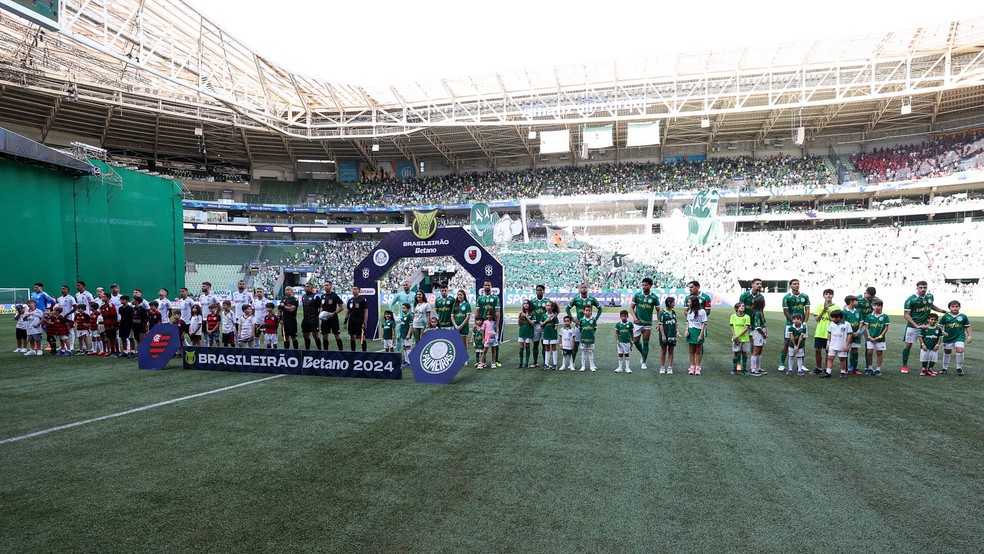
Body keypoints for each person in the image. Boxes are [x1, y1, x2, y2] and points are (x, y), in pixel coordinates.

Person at [901, 281, 945, 374]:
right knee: (908, 345)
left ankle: (926, 368)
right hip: (913, 326)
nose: (923, 289)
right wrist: (916, 325)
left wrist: (943, 311)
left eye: (924, 287)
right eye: (920, 287)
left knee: (929, 345)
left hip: (926, 326)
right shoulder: (910, 300)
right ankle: (904, 366)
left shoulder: (930, 296)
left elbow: (931, 305)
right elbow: (906, 315)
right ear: (917, 288)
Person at [566, 283, 602, 368]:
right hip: (578, 325)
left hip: (589, 326)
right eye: (582, 287)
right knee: (575, 345)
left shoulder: (592, 299)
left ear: (587, 289)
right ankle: (572, 363)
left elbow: (600, 308)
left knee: (590, 345)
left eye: (585, 287)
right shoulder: (576, 299)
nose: (583, 289)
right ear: (579, 289)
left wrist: (595, 319)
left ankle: (592, 364)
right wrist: (572, 319)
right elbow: (568, 308)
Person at [779, 279, 810, 373]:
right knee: (787, 342)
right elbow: (786, 311)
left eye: (798, 284)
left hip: (802, 324)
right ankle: (781, 364)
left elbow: (807, 310)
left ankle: (801, 365)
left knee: (802, 343)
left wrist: (804, 322)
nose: (796, 285)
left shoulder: (805, 296)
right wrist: (793, 322)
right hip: (790, 324)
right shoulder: (787, 297)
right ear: (790, 286)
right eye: (794, 284)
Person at [631, 277, 660, 370]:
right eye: (643, 285)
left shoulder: (654, 297)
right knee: (635, 341)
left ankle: (643, 361)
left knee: (646, 343)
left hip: (647, 323)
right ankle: (642, 353)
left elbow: (658, 311)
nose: (644, 287)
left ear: (650, 286)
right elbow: (631, 308)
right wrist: (634, 317)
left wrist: (659, 322)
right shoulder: (637, 295)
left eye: (646, 285)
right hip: (638, 323)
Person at [940, 300, 972, 376]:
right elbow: (940, 326)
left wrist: (970, 335)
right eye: (953, 307)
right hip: (948, 337)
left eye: (956, 306)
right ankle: (944, 368)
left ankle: (959, 368)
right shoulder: (945, 316)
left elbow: (967, 326)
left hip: (959, 337)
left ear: (959, 307)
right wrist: (943, 332)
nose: (955, 308)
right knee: (947, 352)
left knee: (960, 350)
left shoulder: (963, 316)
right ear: (949, 308)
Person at [821, 310, 852, 379]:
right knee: (830, 358)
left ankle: (843, 372)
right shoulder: (832, 324)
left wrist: (847, 345)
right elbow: (829, 333)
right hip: (832, 345)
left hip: (842, 345)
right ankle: (828, 372)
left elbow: (849, 335)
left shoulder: (847, 324)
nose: (831, 319)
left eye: (833, 318)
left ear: (838, 318)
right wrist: (828, 343)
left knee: (842, 359)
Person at [813, 289, 838, 374]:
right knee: (817, 350)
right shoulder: (820, 306)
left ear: (832, 296)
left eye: (830, 294)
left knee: (828, 351)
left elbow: (836, 320)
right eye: (826, 294)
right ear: (823, 295)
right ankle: (818, 368)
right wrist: (823, 310)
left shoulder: (836, 307)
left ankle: (827, 369)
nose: (828, 296)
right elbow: (816, 319)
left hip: (831, 333)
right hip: (820, 332)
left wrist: (828, 312)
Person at [475, 280, 500, 363]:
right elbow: (477, 311)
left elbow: (497, 311)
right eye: (485, 285)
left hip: (492, 323)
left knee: (495, 341)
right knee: (483, 341)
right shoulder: (480, 298)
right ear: (483, 286)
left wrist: (497, 323)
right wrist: (476, 323)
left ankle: (495, 360)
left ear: (491, 286)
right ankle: (483, 361)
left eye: (488, 285)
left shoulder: (495, 298)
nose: (487, 287)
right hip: (483, 323)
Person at [863, 299, 890, 377]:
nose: (877, 307)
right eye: (875, 305)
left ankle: (878, 369)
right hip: (870, 338)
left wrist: (880, 336)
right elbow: (867, 328)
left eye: (879, 305)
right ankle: (870, 368)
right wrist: (869, 336)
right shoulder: (869, 316)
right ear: (872, 306)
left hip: (880, 338)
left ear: (881, 306)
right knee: (869, 352)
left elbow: (886, 328)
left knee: (879, 353)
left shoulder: (885, 316)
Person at [855, 286, 878, 372]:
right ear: (866, 292)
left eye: (872, 296)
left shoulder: (876, 299)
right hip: (859, 325)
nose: (870, 297)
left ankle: (868, 366)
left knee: (868, 346)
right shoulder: (857, 298)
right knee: (855, 345)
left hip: (870, 326)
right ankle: (852, 366)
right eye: (869, 295)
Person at [391, 281, 415, 354]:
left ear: (410, 285)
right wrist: (394, 315)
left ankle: (409, 356)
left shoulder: (414, 295)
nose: (405, 286)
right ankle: (398, 354)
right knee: (398, 337)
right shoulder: (399, 295)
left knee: (410, 338)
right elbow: (391, 304)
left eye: (406, 285)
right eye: (403, 285)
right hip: (400, 320)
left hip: (410, 319)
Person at [319, 281, 344, 350]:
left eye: (327, 285)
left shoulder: (335, 296)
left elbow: (341, 307)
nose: (325, 287)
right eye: (324, 285)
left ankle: (341, 351)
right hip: (325, 319)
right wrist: (321, 313)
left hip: (333, 318)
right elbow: (321, 306)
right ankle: (325, 352)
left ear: (331, 286)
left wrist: (333, 313)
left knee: (337, 335)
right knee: (324, 336)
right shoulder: (323, 296)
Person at [686, 295, 708, 375]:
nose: (688, 303)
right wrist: (686, 330)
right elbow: (688, 322)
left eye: (689, 302)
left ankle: (698, 366)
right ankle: (692, 366)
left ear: (694, 302)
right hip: (691, 331)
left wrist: (701, 334)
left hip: (698, 331)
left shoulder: (702, 311)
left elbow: (703, 323)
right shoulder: (689, 311)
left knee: (698, 351)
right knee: (691, 351)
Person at [842, 295, 863, 375]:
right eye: (856, 301)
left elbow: (861, 321)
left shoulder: (858, 311)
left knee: (855, 351)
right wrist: (851, 333)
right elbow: (844, 324)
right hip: (847, 335)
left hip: (856, 335)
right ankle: (845, 368)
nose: (857, 302)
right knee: (846, 351)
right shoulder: (844, 312)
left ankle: (854, 368)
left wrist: (858, 331)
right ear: (851, 301)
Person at [529, 285, 550, 368]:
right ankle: (535, 362)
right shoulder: (532, 302)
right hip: (535, 325)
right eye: (538, 290)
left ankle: (545, 362)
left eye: (541, 290)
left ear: (543, 291)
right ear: (536, 291)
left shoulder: (547, 301)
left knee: (544, 344)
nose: (539, 291)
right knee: (535, 344)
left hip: (544, 325)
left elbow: (552, 312)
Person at [657, 297, 679, 375]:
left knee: (671, 351)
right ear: (669, 303)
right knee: (663, 351)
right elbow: (660, 324)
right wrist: (663, 335)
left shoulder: (673, 312)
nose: (674, 304)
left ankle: (670, 367)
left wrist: (677, 331)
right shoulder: (662, 313)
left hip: (672, 334)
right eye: (673, 302)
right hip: (665, 334)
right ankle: (662, 367)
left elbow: (675, 323)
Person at [345, 286, 369, 352]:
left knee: (362, 337)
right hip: (352, 321)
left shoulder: (362, 300)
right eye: (353, 289)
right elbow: (348, 311)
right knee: (352, 337)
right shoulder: (350, 300)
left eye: (355, 289)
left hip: (360, 320)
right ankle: (353, 352)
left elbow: (366, 311)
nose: (354, 290)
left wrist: (365, 322)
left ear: (359, 291)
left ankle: (364, 352)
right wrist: (345, 321)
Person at [300, 282, 323, 350]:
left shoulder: (315, 296)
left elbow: (321, 306)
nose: (306, 288)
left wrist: (320, 314)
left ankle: (319, 350)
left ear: (311, 288)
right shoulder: (303, 297)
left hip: (313, 319)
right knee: (305, 335)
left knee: (315, 335)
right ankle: (307, 350)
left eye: (308, 286)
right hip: (306, 319)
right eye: (305, 286)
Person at [577, 305, 600, 372]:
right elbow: (580, 328)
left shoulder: (593, 319)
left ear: (591, 311)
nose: (588, 312)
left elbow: (595, 328)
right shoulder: (581, 320)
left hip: (591, 339)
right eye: (586, 310)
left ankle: (592, 366)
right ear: (584, 311)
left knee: (590, 352)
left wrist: (591, 333)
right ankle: (583, 366)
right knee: (584, 351)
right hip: (584, 339)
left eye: (589, 310)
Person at [730, 302, 751, 375]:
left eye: (743, 306)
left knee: (744, 353)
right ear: (736, 308)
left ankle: (744, 369)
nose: (742, 307)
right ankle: (734, 368)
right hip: (736, 338)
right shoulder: (733, 316)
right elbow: (732, 327)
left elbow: (746, 328)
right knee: (735, 353)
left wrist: (737, 336)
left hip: (744, 339)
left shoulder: (747, 317)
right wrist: (734, 337)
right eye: (740, 306)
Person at [749, 296, 768, 376]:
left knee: (760, 351)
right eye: (764, 302)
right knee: (756, 351)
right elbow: (757, 326)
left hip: (762, 332)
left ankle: (758, 368)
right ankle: (753, 369)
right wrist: (763, 334)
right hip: (758, 333)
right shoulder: (757, 313)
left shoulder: (760, 312)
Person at [56, 285, 77, 351]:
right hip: (61, 317)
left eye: (64, 289)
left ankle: (71, 345)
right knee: (62, 331)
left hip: (69, 317)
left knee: (70, 331)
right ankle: (63, 345)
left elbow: (75, 308)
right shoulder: (59, 298)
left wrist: (68, 313)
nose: (62, 290)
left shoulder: (71, 298)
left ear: (67, 290)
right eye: (61, 289)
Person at [542, 301, 560, 370]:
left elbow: (556, 325)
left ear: (552, 307)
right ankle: (546, 364)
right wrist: (546, 322)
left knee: (554, 348)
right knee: (547, 348)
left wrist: (553, 330)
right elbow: (541, 325)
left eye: (549, 305)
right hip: (546, 334)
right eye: (546, 305)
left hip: (553, 335)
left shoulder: (554, 316)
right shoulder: (544, 315)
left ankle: (555, 364)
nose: (547, 306)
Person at [517, 299, 534, 368]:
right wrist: (520, 317)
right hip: (522, 331)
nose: (525, 305)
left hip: (529, 332)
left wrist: (526, 317)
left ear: (529, 305)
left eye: (527, 303)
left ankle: (526, 363)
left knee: (527, 347)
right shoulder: (521, 312)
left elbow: (533, 323)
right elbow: (519, 324)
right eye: (524, 304)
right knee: (521, 348)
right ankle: (521, 363)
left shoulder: (532, 313)